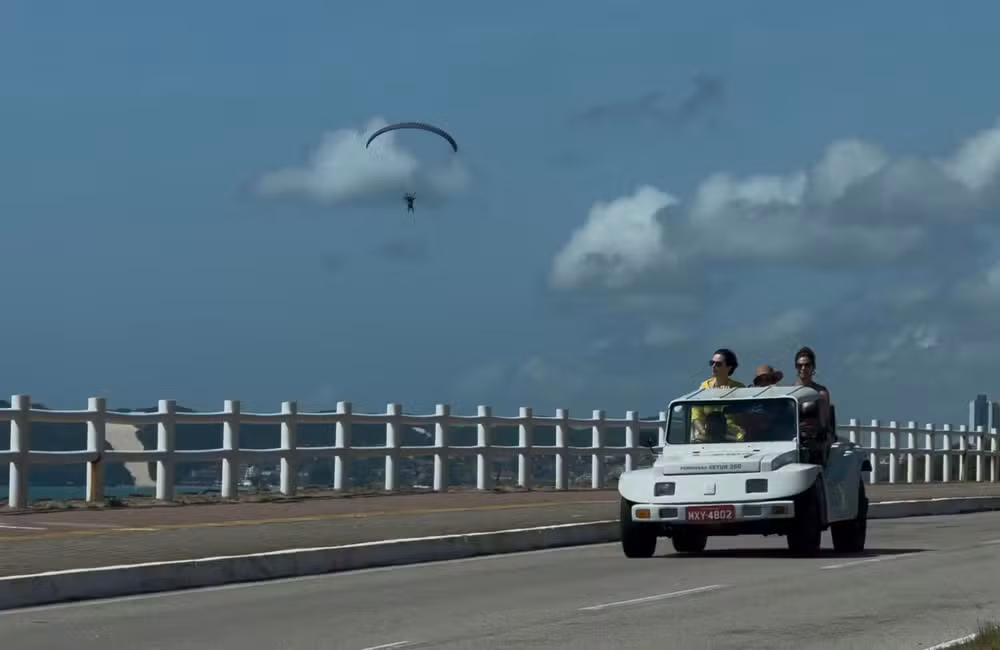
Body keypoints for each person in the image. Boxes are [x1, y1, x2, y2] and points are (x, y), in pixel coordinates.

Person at [692, 348, 746, 441]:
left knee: (741, 438)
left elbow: (743, 417)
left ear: (729, 367)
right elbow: (696, 416)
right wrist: (705, 433)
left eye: (718, 364)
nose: (713, 366)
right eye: (711, 363)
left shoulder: (739, 388)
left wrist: (730, 396)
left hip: (731, 432)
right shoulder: (704, 387)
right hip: (707, 431)